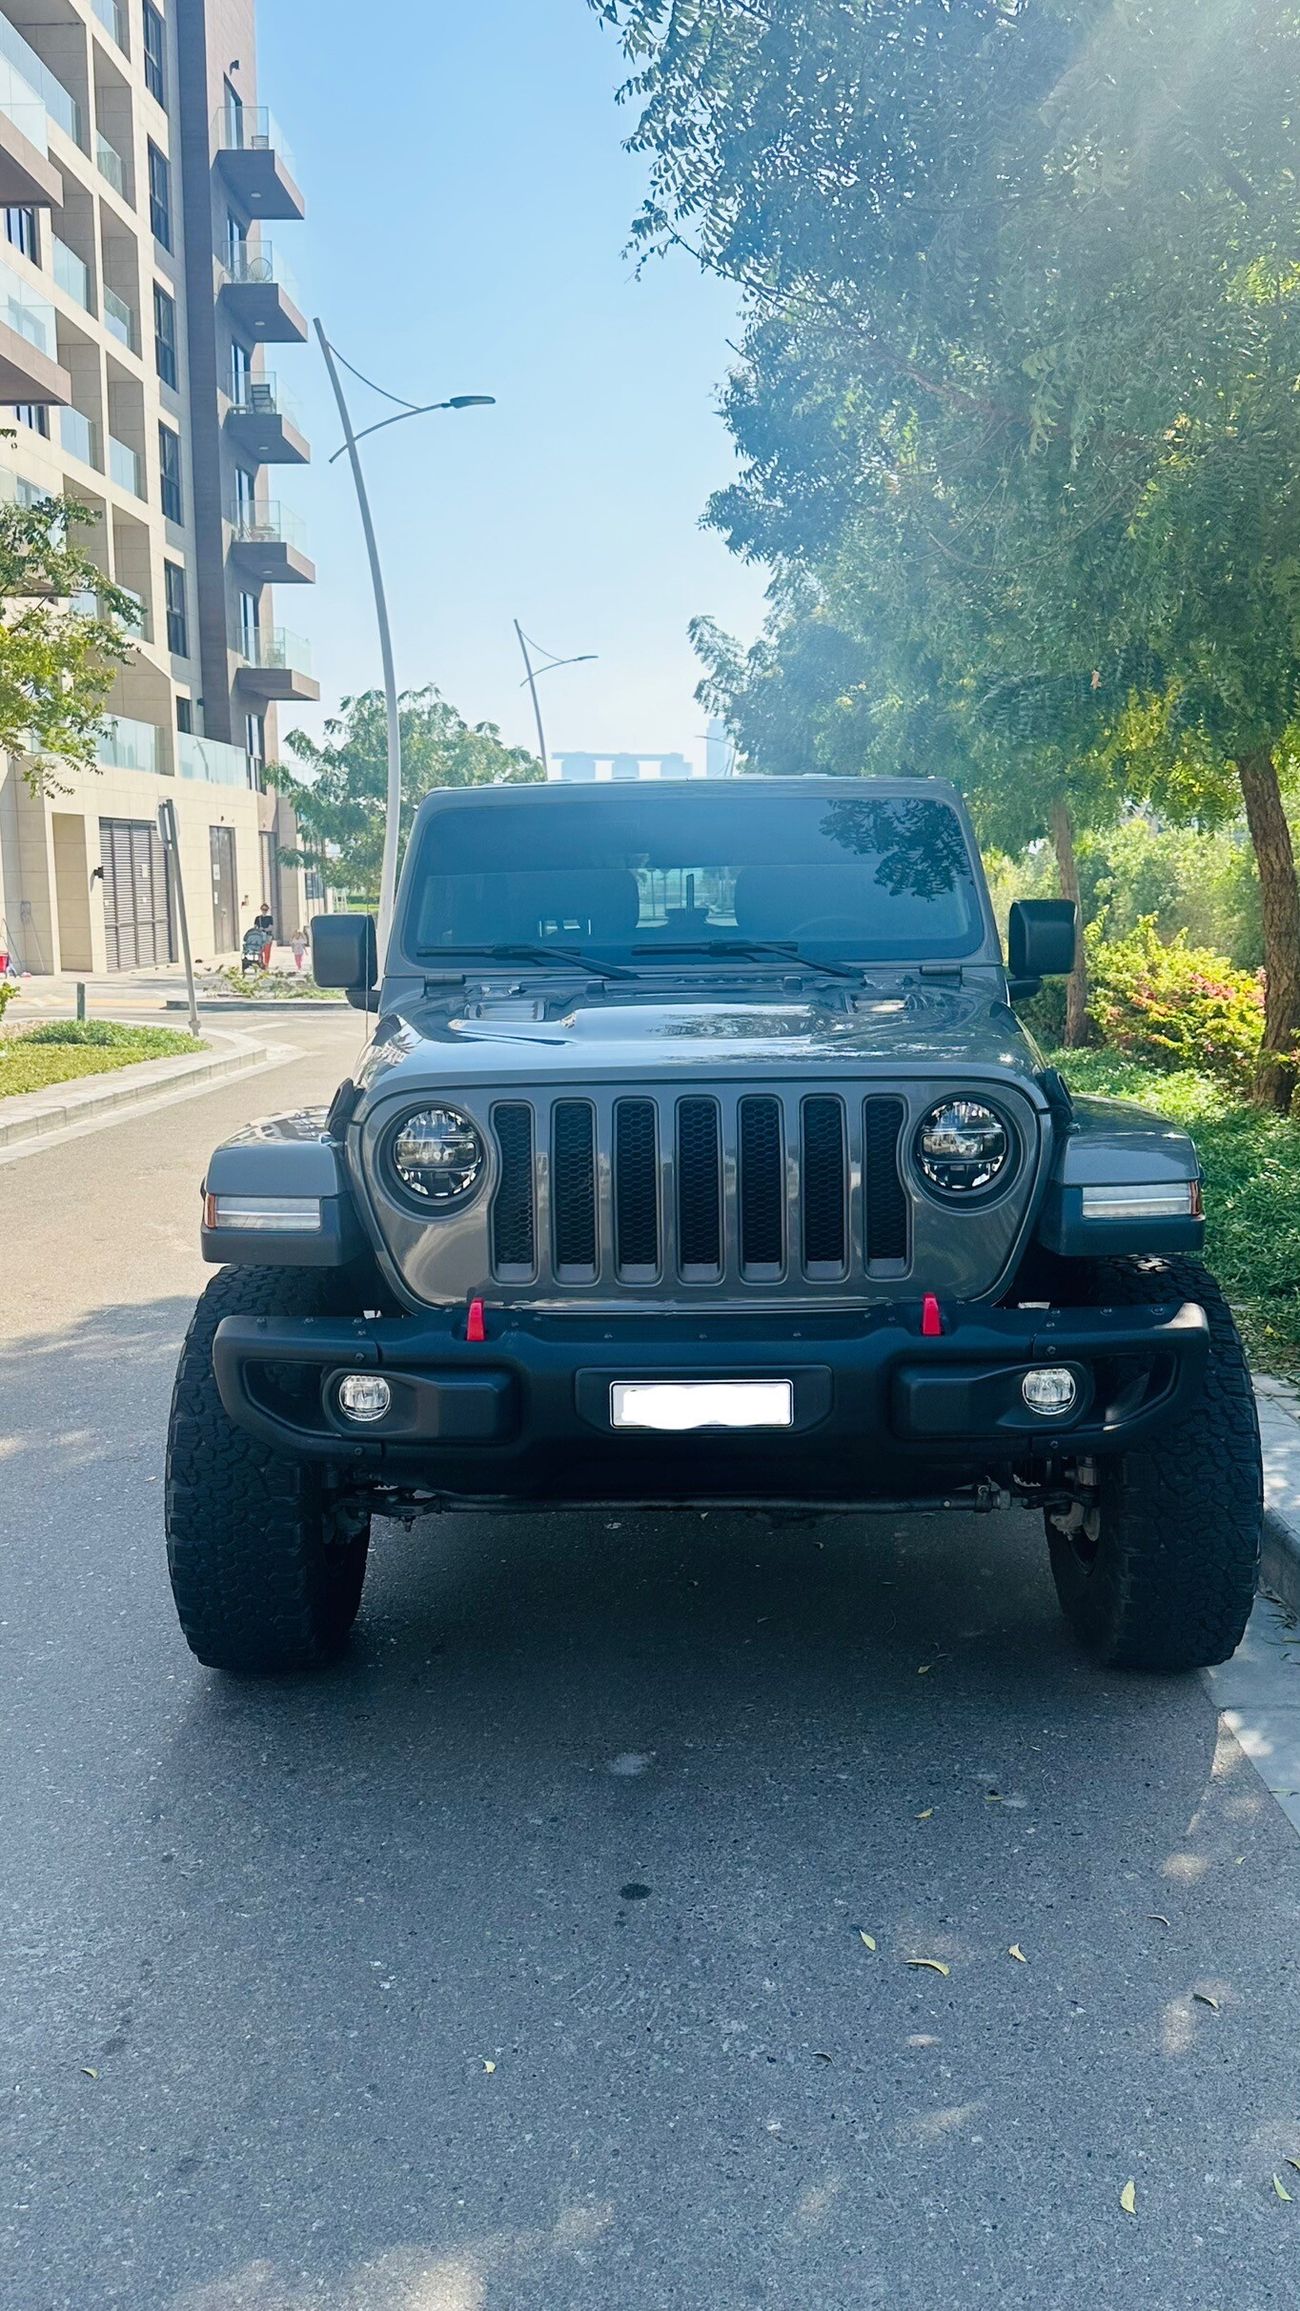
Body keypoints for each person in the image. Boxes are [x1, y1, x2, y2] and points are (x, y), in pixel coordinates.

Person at [253, 902, 274, 971]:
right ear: (261, 909)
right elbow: (255, 927)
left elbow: (271, 927)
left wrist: (264, 929)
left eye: (265, 909)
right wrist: (258, 929)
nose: (264, 911)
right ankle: (261, 964)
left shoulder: (270, 918)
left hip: (268, 936)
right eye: (263, 909)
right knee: (260, 952)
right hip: (259, 936)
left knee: (267, 951)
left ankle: (266, 964)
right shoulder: (257, 918)